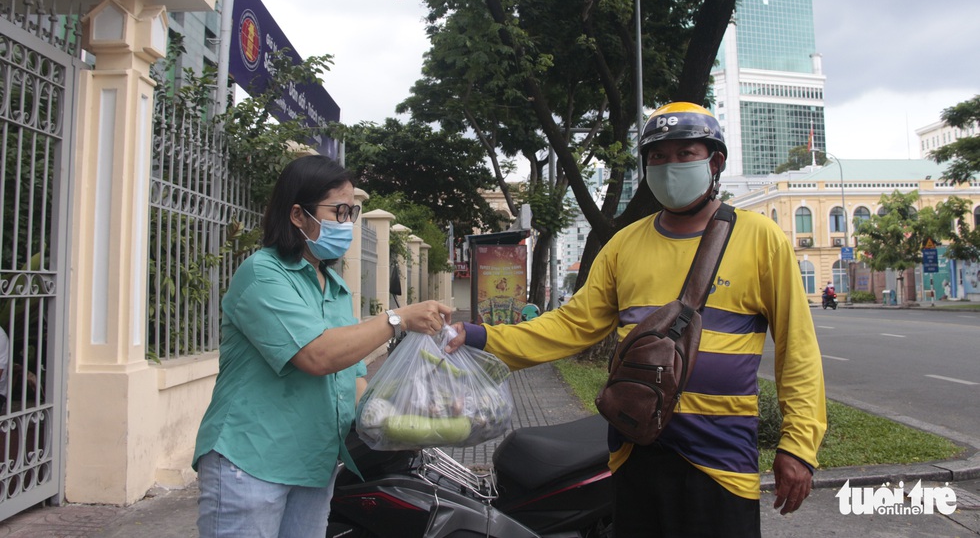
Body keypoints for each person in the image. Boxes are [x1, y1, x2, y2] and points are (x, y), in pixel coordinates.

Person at [449, 102, 826, 537]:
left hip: (721, 459)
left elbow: (798, 350)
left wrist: (798, 446)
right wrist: (478, 336)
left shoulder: (761, 239)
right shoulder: (624, 244)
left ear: (715, 161)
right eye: (658, 157)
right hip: (636, 450)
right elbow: (571, 326)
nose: (670, 166)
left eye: (685, 154)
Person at [193, 154, 452, 538]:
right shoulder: (263, 275)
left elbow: (353, 381)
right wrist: (398, 319)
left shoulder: (334, 287)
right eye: (339, 211)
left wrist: (416, 410)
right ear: (298, 215)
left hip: (313, 465)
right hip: (250, 462)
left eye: (352, 213)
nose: (347, 223)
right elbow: (318, 355)